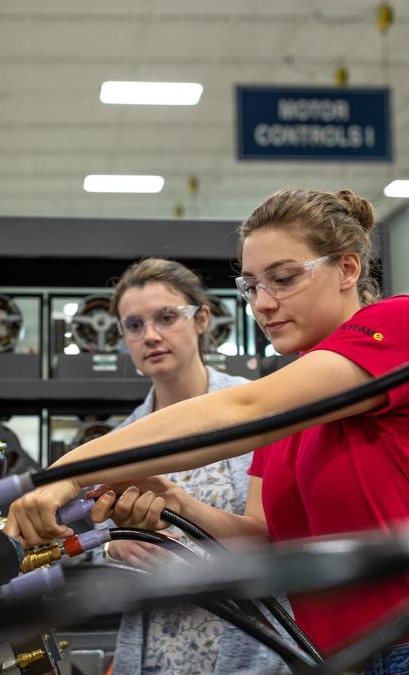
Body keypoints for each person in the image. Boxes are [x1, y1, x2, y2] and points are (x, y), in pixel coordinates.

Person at [7, 188, 409, 674]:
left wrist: (68, 474)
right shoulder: (294, 399)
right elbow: (264, 542)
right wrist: (177, 505)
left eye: (283, 278)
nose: (263, 303)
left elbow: (241, 408)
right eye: (252, 286)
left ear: (347, 269)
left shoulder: (408, 325)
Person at [89, 257, 288, 675]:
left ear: (201, 319)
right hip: (157, 653)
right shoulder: (122, 439)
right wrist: (112, 546)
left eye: (166, 317)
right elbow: (86, 540)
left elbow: (283, 535)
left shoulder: (256, 411)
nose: (151, 336)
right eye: (134, 325)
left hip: (247, 648)